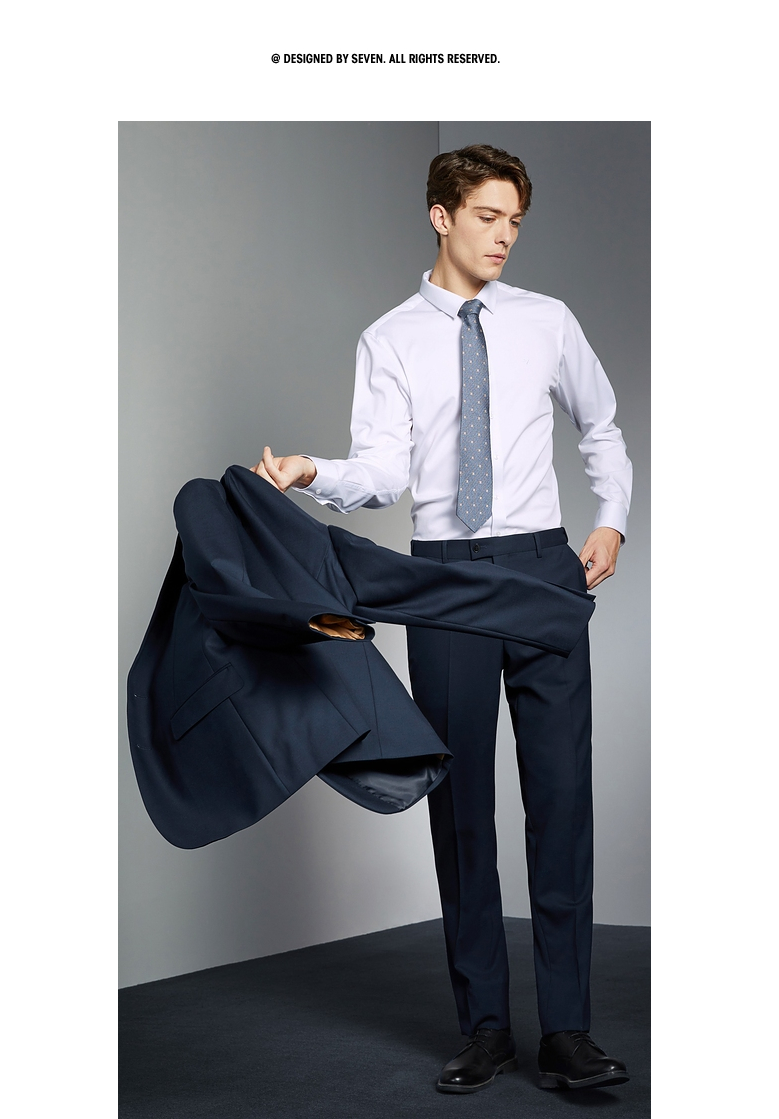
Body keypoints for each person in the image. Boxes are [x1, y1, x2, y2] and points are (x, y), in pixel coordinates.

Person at [253, 144, 632, 1094]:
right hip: (445, 577)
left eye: (515, 222)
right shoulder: (390, 338)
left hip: (542, 568)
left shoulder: (547, 320)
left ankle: (569, 1032)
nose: (504, 237)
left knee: (562, 804)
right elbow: (384, 470)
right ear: (441, 215)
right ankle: (486, 1026)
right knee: (460, 809)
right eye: (488, 217)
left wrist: (613, 518)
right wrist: (312, 471)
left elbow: (601, 423)